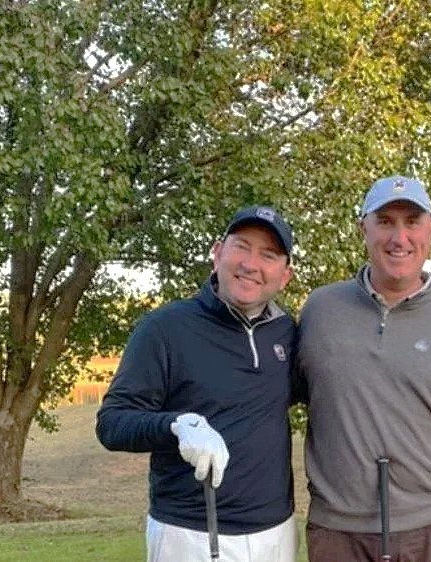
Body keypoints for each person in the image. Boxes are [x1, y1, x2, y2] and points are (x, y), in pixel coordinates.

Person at [296, 175, 431, 562]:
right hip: (337, 534)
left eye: (412, 222)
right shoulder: (320, 310)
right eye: (385, 222)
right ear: (363, 228)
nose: (399, 237)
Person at [96, 206, 298, 562]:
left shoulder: (287, 333)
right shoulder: (164, 329)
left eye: (268, 255)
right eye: (241, 247)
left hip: (276, 531)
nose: (251, 264)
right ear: (217, 253)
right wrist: (176, 425)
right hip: (190, 534)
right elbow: (112, 423)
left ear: (285, 276)